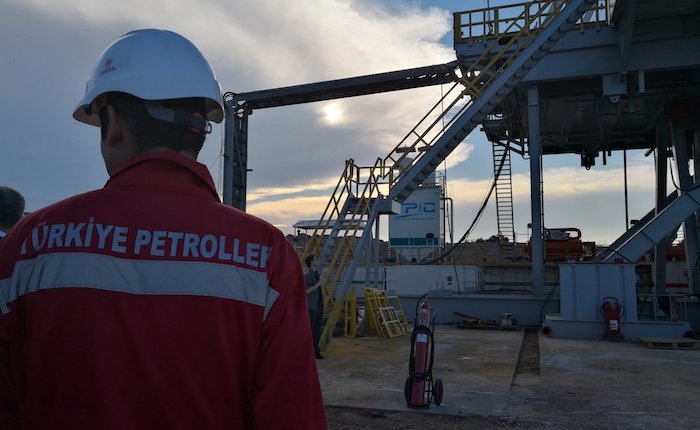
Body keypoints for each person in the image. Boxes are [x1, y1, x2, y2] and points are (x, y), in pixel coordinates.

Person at [0, 29, 327, 429]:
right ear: (200, 131)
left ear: (113, 123)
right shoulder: (266, 255)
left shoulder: (29, 245)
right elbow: (292, 415)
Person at [305, 255, 325, 359]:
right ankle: (308, 352)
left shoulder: (317, 274)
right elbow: (307, 291)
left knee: (317, 330)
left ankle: (316, 352)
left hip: (319, 306)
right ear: (311, 262)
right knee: (311, 330)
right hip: (312, 306)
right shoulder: (308, 275)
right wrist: (319, 284)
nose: (318, 260)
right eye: (316, 259)